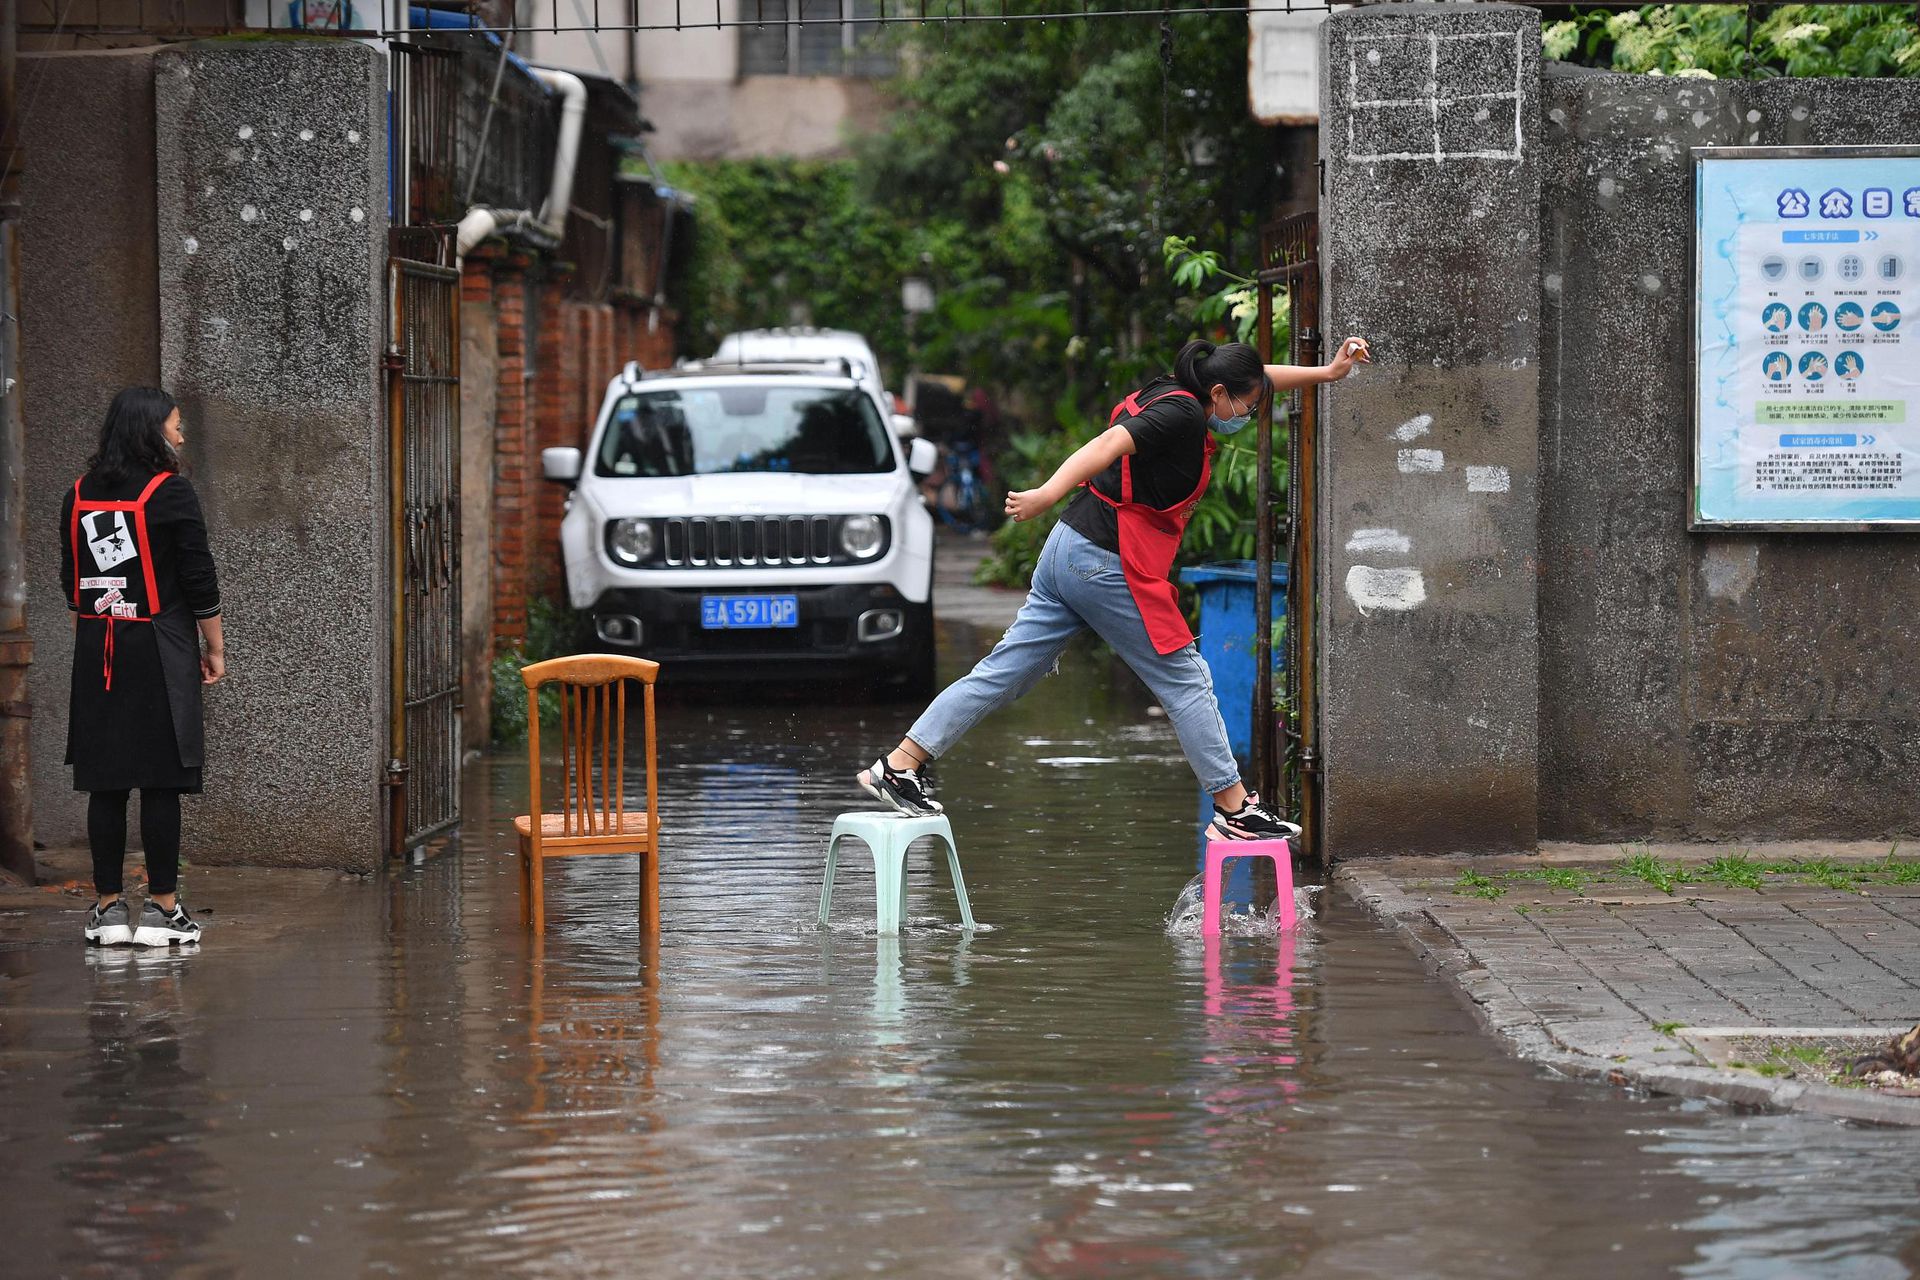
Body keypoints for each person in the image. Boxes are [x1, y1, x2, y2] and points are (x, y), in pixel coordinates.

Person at [858, 336, 1371, 839]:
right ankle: (1234, 808)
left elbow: (1260, 379)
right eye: (1247, 404)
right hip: (1107, 562)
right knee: (1185, 679)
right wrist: (1043, 493)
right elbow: (1107, 444)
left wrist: (1327, 374)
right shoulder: (1184, 415)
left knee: (1004, 673)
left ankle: (900, 766)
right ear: (1217, 394)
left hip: (1069, 547)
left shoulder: (1178, 389)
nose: (1250, 412)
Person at [63, 387, 224, 947]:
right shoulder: (171, 493)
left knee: (105, 784)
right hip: (160, 648)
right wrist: (215, 648)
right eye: (177, 426)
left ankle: (107, 910)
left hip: (98, 648)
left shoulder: (79, 494)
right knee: (160, 781)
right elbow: (199, 578)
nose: (182, 435)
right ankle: (162, 911)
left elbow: (71, 582)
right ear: (152, 431)